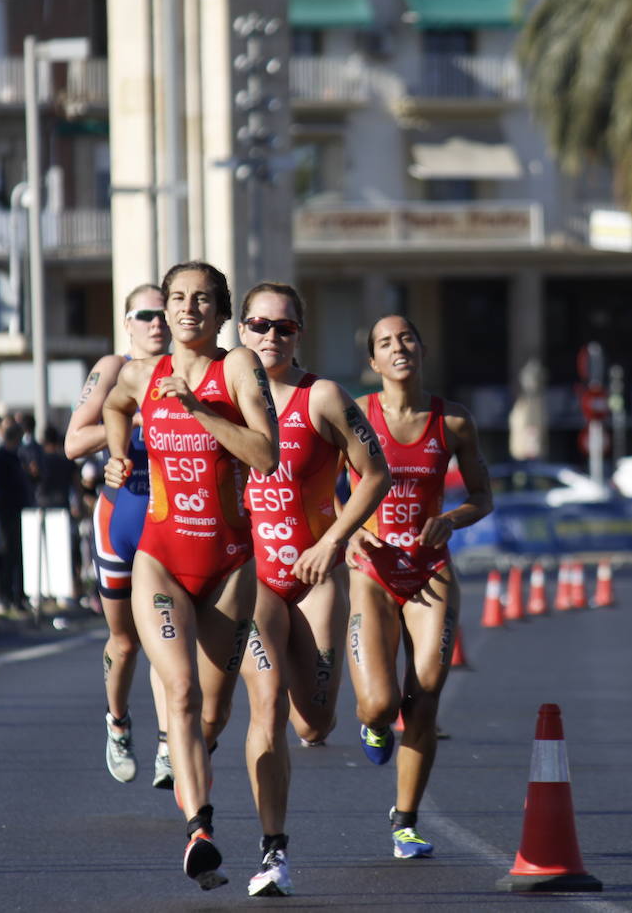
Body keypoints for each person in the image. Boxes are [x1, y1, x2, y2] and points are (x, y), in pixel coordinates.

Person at [103, 261, 279, 891]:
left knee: (211, 713)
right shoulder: (141, 373)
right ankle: (199, 831)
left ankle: (189, 777)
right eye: (178, 299)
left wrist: (200, 410)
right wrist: (120, 458)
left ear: (220, 310)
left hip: (230, 562)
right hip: (161, 558)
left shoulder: (237, 369)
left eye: (203, 300)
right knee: (178, 693)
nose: (187, 310)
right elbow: (118, 404)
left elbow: (266, 454)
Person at [235, 283, 392, 896]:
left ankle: (358, 714)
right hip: (253, 580)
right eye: (259, 325)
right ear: (241, 331)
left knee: (314, 722)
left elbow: (375, 473)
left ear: (300, 333)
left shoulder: (321, 396)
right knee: (267, 701)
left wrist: (333, 542)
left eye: (284, 328)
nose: (271, 337)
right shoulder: (224, 396)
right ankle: (274, 852)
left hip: (315, 576)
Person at [345, 314, 493, 860]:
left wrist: (451, 520)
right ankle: (375, 724)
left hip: (430, 568)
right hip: (373, 570)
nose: (398, 347)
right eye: (385, 342)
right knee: (379, 704)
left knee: (426, 690)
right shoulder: (357, 415)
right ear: (374, 362)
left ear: (422, 348)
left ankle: (405, 821)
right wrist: (351, 533)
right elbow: (326, 489)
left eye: (406, 337)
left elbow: (483, 495)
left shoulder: (452, 421)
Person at [64, 283, 174, 787]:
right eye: (145, 315)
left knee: (166, 639)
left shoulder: (186, 371)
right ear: (127, 323)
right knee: (126, 641)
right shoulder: (111, 368)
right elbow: (72, 442)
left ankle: (171, 744)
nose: (157, 323)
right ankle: (118, 721)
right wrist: (128, 432)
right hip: (120, 516)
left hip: (169, 517)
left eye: (163, 314)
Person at [0, 419, 33, 612]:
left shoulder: (17, 457)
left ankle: (18, 595)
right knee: (7, 554)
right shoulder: (0, 458)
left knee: (18, 555)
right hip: (5, 511)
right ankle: (6, 595)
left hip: (17, 510)